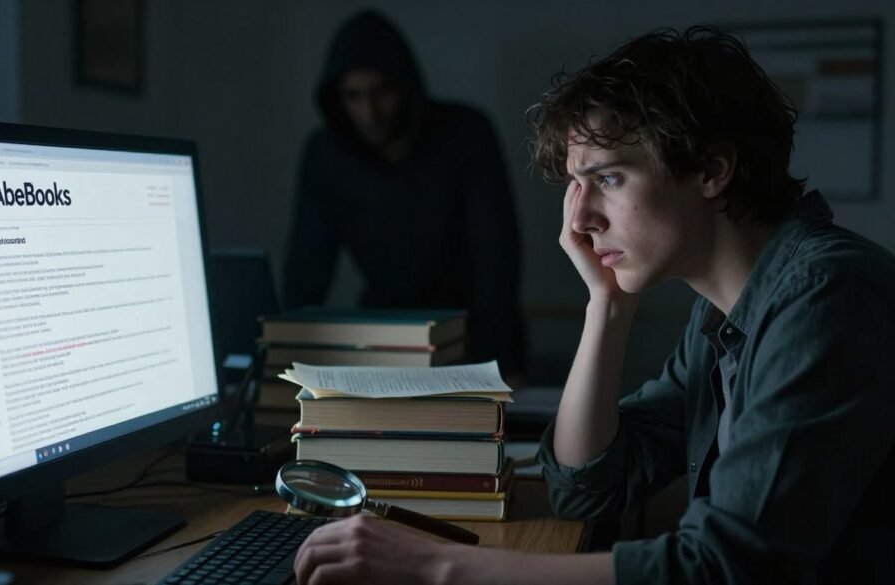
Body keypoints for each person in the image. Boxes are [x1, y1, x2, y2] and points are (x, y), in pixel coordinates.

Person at [292, 26, 895, 585]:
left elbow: (722, 567)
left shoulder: (826, 298)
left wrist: (439, 566)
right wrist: (605, 306)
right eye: (574, 188)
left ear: (712, 169)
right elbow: (586, 488)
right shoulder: (721, 315)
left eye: (607, 179)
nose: (577, 221)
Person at [281, 10, 526, 379]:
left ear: (405, 86)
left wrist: (486, 372)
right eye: (353, 96)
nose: (369, 111)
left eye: (382, 92)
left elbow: (497, 260)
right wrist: (282, 359)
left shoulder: (466, 134)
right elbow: (306, 266)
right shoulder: (325, 153)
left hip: (477, 337)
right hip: (385, 340)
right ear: (337, 98)